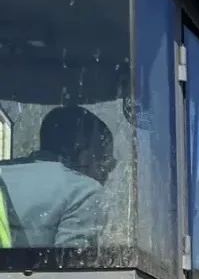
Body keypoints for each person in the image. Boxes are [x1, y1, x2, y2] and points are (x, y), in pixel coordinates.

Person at [0, 105, 115, 251]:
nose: (108, 169)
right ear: (78, 148)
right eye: (104, 158)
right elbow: (71, 262)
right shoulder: (84, 192)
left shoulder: (3, 174)